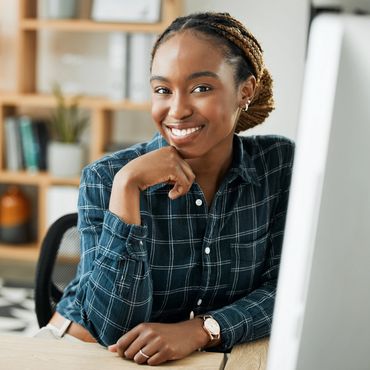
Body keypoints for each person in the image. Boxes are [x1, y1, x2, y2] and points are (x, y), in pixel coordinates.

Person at [41, 11, 294, 366]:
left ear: (245, 91)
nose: (177, 109)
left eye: (201, 88)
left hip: (203, 353)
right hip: (86, 350)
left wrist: (200, 329)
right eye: (163, 90)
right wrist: (127, 188)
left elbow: (287, 289)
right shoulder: (107, 177)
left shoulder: (278, 164)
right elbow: (113, 328)